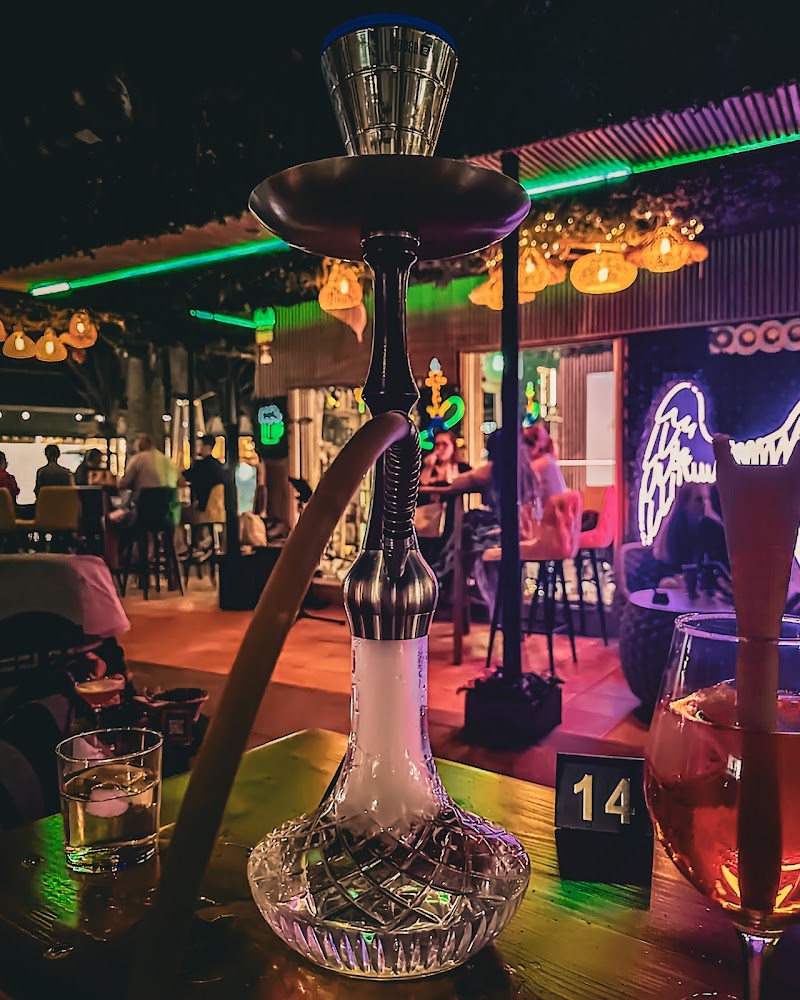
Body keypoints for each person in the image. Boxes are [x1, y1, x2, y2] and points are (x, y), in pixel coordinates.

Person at [653, 482, 729, 578]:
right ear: (684, 504)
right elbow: (666, 567)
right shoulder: (674, 533)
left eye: (707, 499)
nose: (704, 504)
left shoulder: (713, 530)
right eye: (699, 500)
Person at [415, 429, 471, 557]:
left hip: (452, 519)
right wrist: (428, 467)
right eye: (437, 445)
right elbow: (419, 487)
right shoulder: (429, 467)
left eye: (444, 445)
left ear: (453, 447)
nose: (440, 449)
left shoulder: (461, 468)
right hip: (428, 521)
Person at [116, 432, 180, 526]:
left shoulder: (138, 459)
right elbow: (180, 481)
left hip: (142, 512)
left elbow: (122, 484)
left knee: (118, 519)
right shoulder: (167, 460)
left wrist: (118, 480)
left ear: (139, 446)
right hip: (164, 514)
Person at [181, 434, 225, 512]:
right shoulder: (219, 465)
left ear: (207, 447)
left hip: (203, 506)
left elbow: (186, 477)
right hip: (217, 507)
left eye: (200, 446)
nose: (199, 449)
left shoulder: (200, 465)